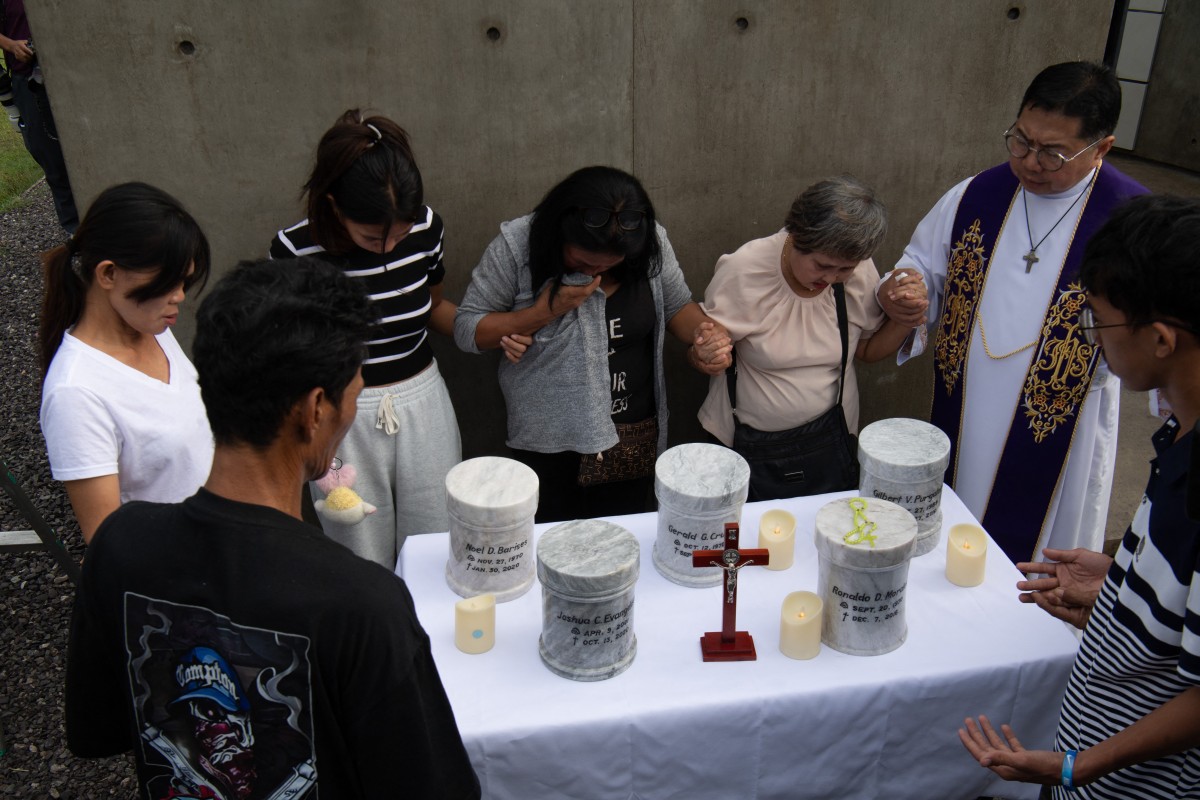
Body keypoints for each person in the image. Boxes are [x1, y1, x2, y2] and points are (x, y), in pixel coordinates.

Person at [65, 257, 481, 800]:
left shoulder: (119, 544)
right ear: (314, 409)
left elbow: (100, 730)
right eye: (353, 393)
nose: (350, 410)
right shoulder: (363, 604)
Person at [958, 194, 1200, 798]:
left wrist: (1078, 765)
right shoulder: (1180, 434)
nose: (1092, 337)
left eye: (1099, 319)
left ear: (1162, 340)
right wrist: (1124, 583)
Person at [879, 61, 1148, 565]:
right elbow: (918, 265)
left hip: (1064, 420)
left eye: (1053, 153)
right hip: (968, 398)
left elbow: (1162, 333)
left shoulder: (1133, 223)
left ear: (1102, 148)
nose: (1029, 162)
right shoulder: (976, 195)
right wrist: (902, 293)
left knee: (1044, 553)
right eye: (1020, 140)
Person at [454, 165, 730, 523]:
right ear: (559, 233)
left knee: (624, 540)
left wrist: (706, 337)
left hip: (633, 438)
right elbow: (466, 328)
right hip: (550, 444)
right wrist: (540, 314)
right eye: (583, 261)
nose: (594, 272)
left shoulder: (650, 242)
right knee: (554, 547)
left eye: (611, 264)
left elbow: (678, 306)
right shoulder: (517, 246)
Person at [270, 109, 460, 568]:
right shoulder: (297, 250)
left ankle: (427, 638)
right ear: (334, 204)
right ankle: (368, 640)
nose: (391, 245)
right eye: (374, 237)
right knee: (356, 547)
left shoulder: (426, 227)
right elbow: (293, 343)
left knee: (438, 537)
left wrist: (500, 330)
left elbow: (434, 306)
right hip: (339, 413)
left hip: (423, 397)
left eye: (401, 231)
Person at [697, 175, 927, 499]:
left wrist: (905, 319)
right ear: (796, 236)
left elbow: (868, 350)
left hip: (830, 446)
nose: (832, 278)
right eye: (823, 265)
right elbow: (705, 353)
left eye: (844, 270)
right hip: (744, 448)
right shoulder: (745, 270)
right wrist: (707, 354)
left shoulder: (857, 269)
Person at [38, 182, 213, 543]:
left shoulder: (153, 328)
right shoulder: (76, 393)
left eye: (184, 280)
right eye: (168, 282)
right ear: (108, 274)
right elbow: (107, 541)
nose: (179, 296)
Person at [0, 0, 78, 233]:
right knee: (51, 157)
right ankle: (76, 230)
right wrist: (13, 45)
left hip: (75, 78)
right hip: (28, 81)